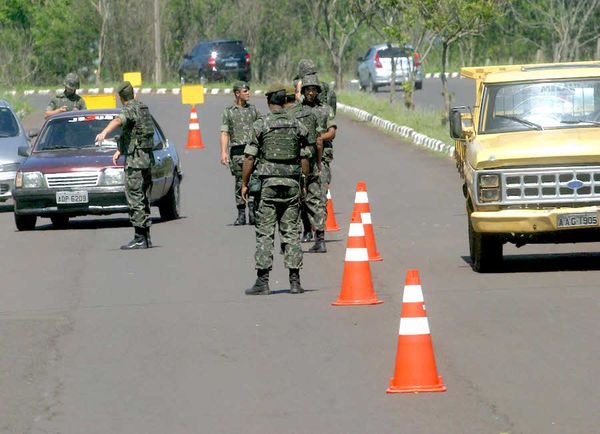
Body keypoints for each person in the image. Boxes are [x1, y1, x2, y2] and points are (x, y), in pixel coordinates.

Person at [241, 84, 310, 295]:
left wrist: (244, 183)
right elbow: (305, 156)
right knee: (291, 232)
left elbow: (250, 157)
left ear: (269, 101)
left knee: (265, 233)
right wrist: (304, 182)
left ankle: (263, 281)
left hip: (268, 186)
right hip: (291, 185)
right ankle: (295, 281)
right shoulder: (296, 125)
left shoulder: (261, 124)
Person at [95, 81, 155, 249]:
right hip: (146, 159)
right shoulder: (143, 108)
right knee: (143, 197)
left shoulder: (129, 108)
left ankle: (139, 238)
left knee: (135, 197)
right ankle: (146, 236)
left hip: (135, 162)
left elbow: (119, 121)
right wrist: (120, 150)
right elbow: (135, 132)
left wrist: (104, 132)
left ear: (121, 97)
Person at [288, 75, 327, 252]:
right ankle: (320, 239)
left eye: (313, 89)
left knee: (292, 201)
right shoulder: (312, 115)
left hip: (294, 163)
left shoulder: (291, 113)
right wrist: (318, 163)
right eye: (307, 89)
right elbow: (318, 141)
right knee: (315, 200)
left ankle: (289, 241)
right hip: (310, 161)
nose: (311, 92)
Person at [220, 81, 262, 225]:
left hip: (254, 150)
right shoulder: (229, 111)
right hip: (238, 152)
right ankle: (241, 214)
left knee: (254, 181)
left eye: (248, 90)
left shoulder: (254, 110)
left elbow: (261, 129)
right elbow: (225, 133)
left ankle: (253, 210)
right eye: (245, 91)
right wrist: (223, 152)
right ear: (237, 93)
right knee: (240, 182)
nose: (248, 93)